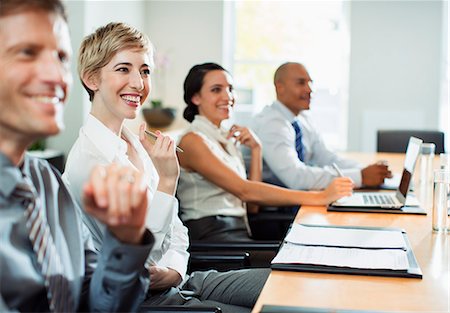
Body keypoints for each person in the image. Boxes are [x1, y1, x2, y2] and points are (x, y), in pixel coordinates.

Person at [63, 22, 270, 313]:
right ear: (91, 79)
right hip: (146, 300)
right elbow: (140, 260)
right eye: (124, 69)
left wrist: (174, 270)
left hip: (181, 280)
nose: (139, 83)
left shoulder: (135, 142)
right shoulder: (90, 163)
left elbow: (177, 230)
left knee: (283, 285)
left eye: (145, 71)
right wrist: (167, 181)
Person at [0, 1, 155, 312]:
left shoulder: (47, 184)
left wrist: (126, 241)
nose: (55, 74)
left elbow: (96, 302)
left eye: (60, 57)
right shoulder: (85, 163)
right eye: (27, 52)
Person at [176, 63, 353, 242]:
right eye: (216, 90)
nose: (228, 96)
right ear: (195, 98)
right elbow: (245, 191)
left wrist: (256, 149)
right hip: (214, 237)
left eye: (230, 89)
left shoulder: (226, 138)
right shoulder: (193, 140)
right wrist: (320, 197)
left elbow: (252, 207)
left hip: (239, 233)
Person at [252, 62, 392, 191]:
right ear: (280, 87)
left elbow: (327, 158)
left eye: (310, 83)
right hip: (280, 210)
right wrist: (360, 176)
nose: (309, 89)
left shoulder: (302, 119)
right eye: (301, 83)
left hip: (302, 199)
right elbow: (296, 178)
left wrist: (369, 171)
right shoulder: (271, 124)